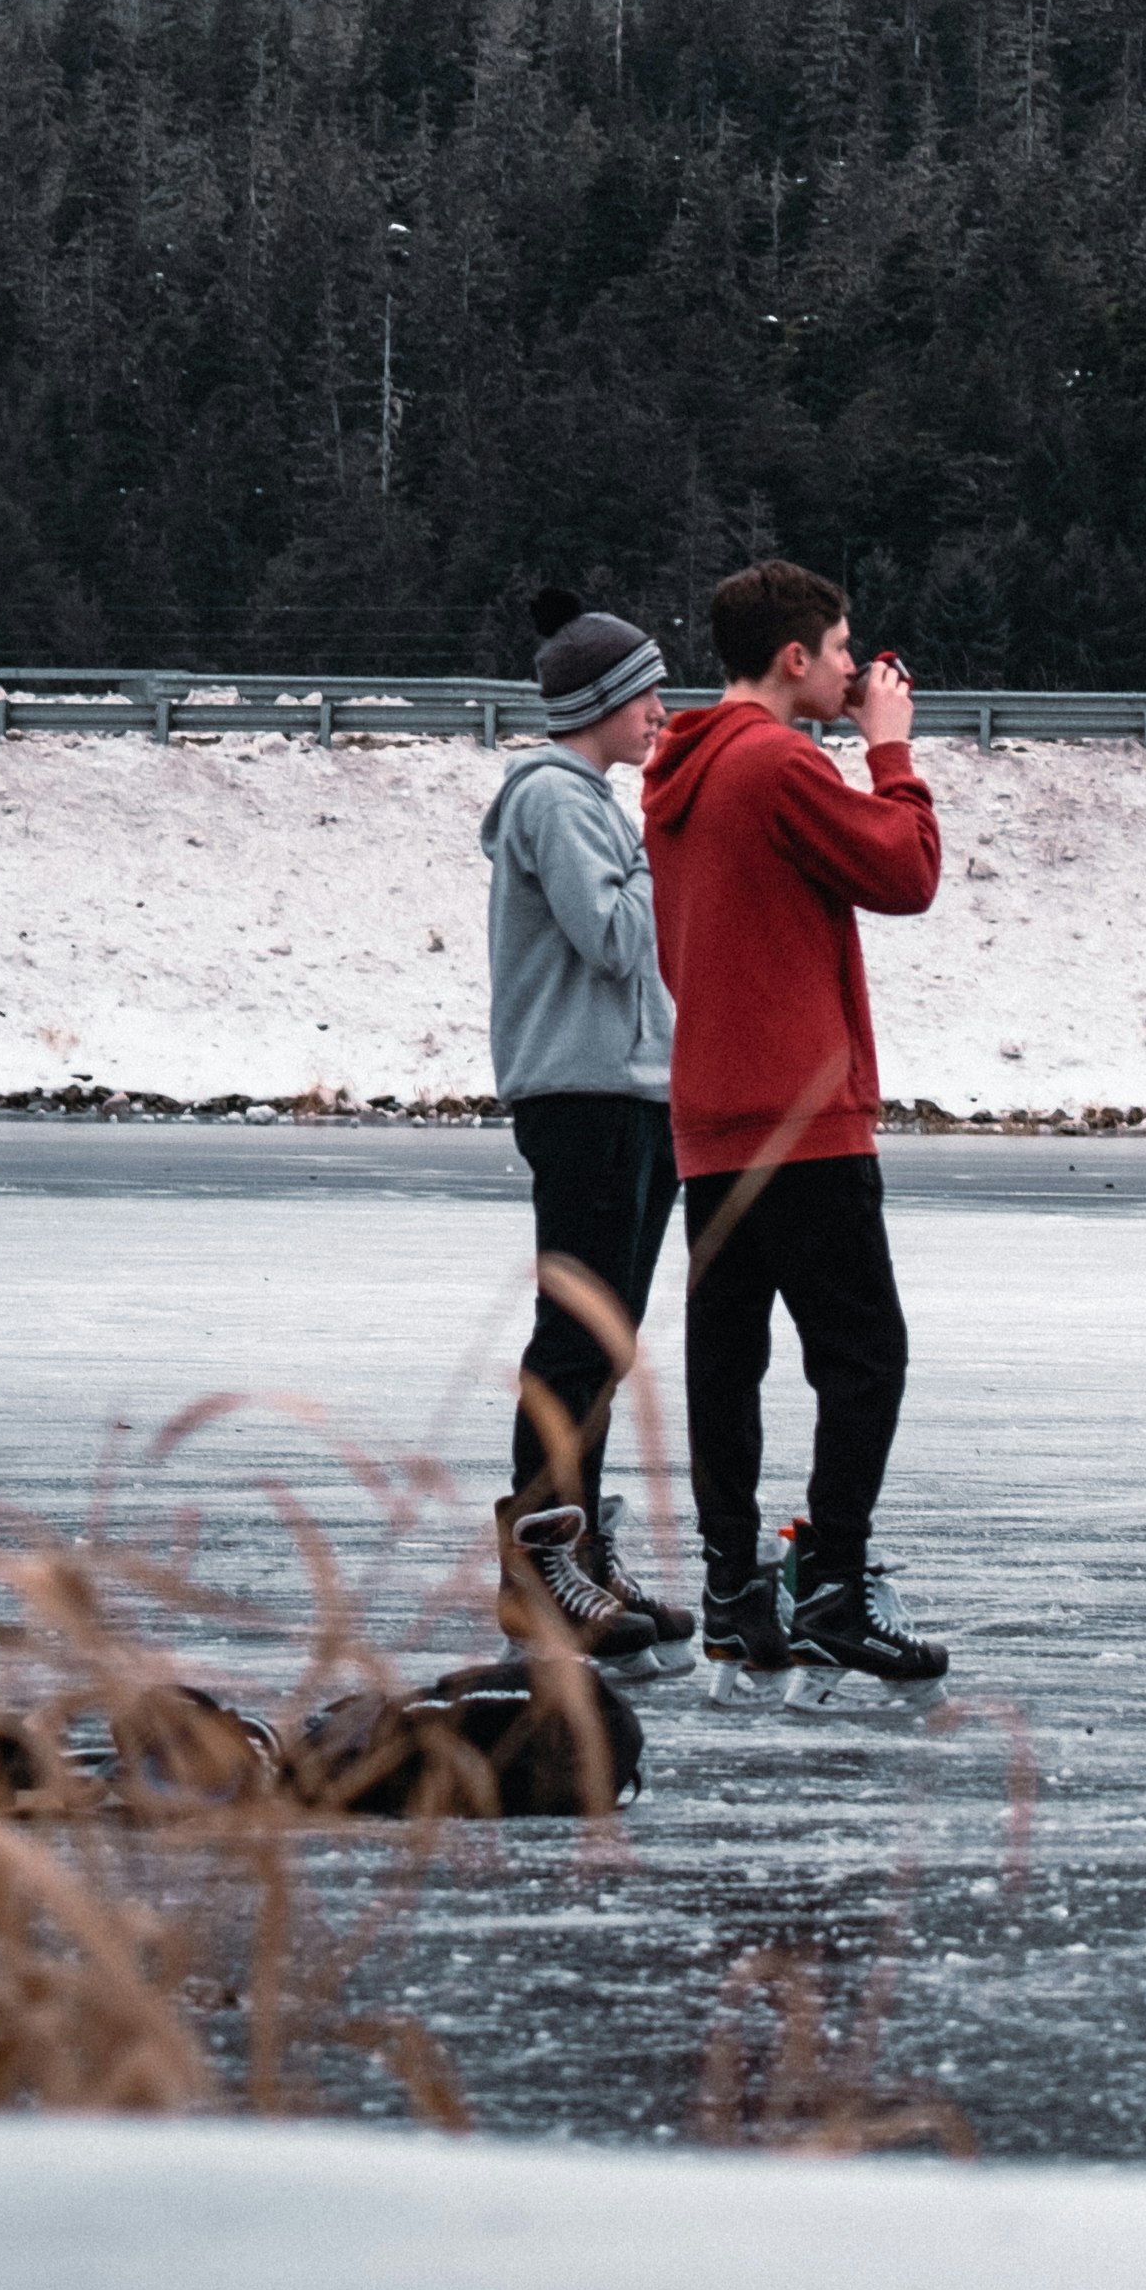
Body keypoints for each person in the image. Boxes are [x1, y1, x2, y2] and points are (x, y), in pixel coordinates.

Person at [640, 556, 947, 1697]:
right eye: (838, 650)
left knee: (729, 1359)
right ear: (791, 657)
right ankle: (830, 1582)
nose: (849, 667)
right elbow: (906, 870)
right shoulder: (773, 763)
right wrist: (891, 746)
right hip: (802, 1117)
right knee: (862, 1357)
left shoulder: (675, 768)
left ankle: (733, 1590)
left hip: (709, 1113)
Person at [478, 589, 696, 1668]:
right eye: (647, 692)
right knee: (576, 1335)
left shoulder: (596, 801)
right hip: (582, 1096)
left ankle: (577, 1548)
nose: (661, 709)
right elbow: (611, 937)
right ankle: (538, 1564)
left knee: (603, 1340)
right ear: (603, 701)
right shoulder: (557, 799)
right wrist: (669, 850)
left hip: (629, 1091)